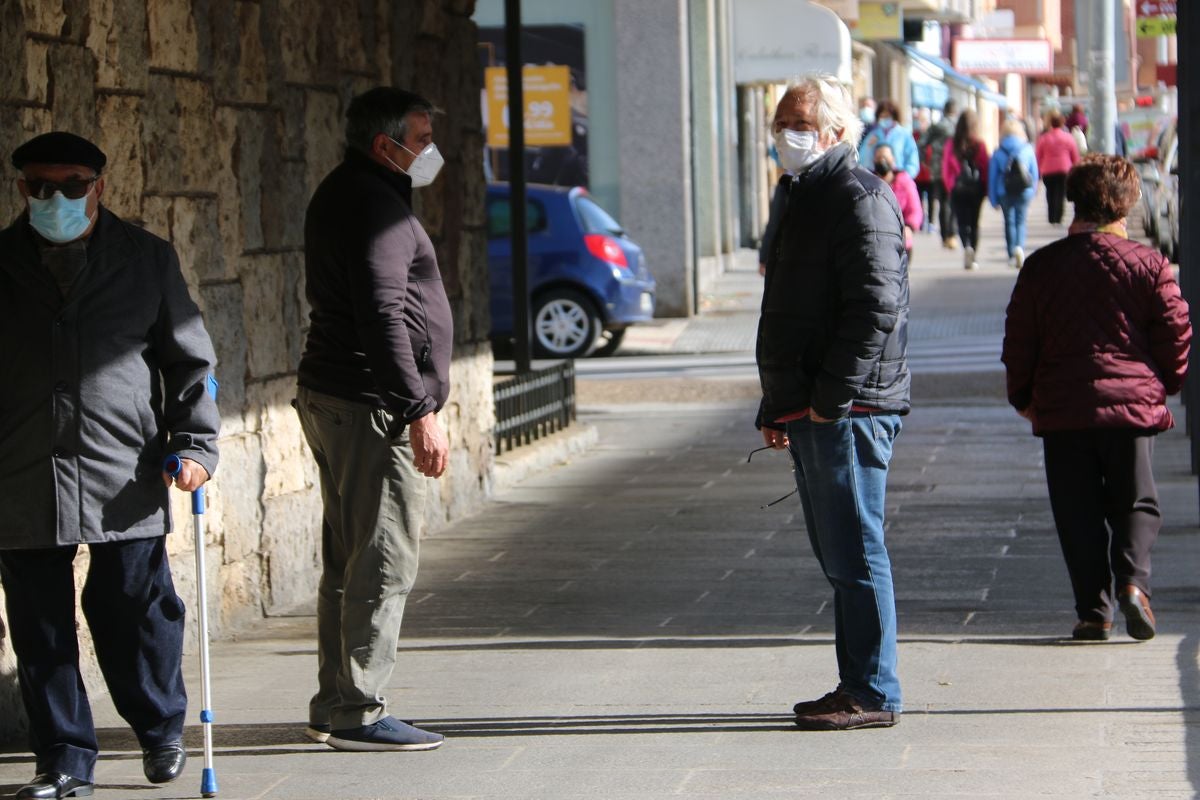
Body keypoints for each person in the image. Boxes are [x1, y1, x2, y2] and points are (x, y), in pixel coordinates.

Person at [0, 132, 220, 799]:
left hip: (123, 465)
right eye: (40, 186)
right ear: (21, 190)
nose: (55, 198)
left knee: (132, 606)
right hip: (20, 468)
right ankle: (64, 757)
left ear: (100, 186)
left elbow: (190, 362)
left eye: (71, 184)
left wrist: (197, 446)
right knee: (39, 623)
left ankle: (159, 726)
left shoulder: (146, 260)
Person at [297, 86, 453, 752]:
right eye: (419, 139)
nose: (428, 152)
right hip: (370, 405)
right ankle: (359, 709)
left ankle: (337, 700)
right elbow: (382, 313)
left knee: (349, 557)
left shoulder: (356, 192)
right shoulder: (370, 206)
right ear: (384, 144)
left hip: (340, 396)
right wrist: (418, 409)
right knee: (383, 559)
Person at [758, 74, 909, 731]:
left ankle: (874, 691)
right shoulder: (801, 195)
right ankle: (858, 682)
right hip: (816, 402)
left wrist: (827, 401)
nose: (785, 137)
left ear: (837, 132)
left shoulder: (858, 198)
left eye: (799, 124)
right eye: (779, 124)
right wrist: (779, 402)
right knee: (838, 554)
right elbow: (790, 309)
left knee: (855, 548)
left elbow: (876, 307)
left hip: (849, 407)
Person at [1002, 154, 1191, 642]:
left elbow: (1020, 338)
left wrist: (1023, 396)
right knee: (1136, 500)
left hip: (1063, 407)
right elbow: (1175, 331)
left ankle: (1093, 612)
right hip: (1131, 407)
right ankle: (1134, 583)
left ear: (1074, 202)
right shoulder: (1150, 264)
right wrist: (1164, 383)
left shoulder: (1042, 266)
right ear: (1126, 206)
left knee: (1076, 510)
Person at [942, 109, 989, 271]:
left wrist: (950, 185)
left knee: (962, 222)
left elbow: (946, 167)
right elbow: (985, 167)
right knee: (974, 222)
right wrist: (985, 188)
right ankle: (973, 253)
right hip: (976, 189)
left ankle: (966, 246)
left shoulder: (952, 144)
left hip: (958, 188)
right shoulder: (980, 144)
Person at [989, 118, 1039, 269]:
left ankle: (1011, 253)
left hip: (1004, 190)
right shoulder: (1027, 148)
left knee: (1009, 221)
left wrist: (993, 199)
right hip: (1024, 190)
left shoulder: (999, 151)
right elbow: (1034, 173)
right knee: (1020, 221)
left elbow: (993, 176)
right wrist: (1033, 191)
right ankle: (1020, 247)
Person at [873, 144, 923, 262]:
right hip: (876, 241)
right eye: (879, 157)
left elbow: (914, 208)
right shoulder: (869, 182)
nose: (882, 161)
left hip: (901, 241)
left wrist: (910, 227)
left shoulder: (905, 182)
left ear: (893, 159)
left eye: (885, 157)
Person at [920, 100, 958, 249]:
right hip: (955, 169)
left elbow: (922, 142)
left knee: (943, 202)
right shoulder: (960, 127)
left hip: (938, 168)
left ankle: (945, 236)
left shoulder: (937, 126)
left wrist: (924, 160)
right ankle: (953, 234)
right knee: (952, 201)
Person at [1035, 112, 1079, 226]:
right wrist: (1076, 168)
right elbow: (1074, 155)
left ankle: (1051, 217)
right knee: (1060, 194)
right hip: (1064, 169)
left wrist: (1038, 171)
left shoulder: (1044, 138)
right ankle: (1058, 218)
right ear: (1062, 123)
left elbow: (1038, 155)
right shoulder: (1068, 138)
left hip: (1048, 169)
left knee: (1050, 193)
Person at [857, 99, 919, 179]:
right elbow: (862, 160)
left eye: (887, 116)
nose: (884, 119)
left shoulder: (904, 134)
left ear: (894, 116)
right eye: (882, 116)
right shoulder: (873, 134)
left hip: (898, 179)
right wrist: (868, 146)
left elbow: (913, 160)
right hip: (877, 178)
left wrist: (904, 178)